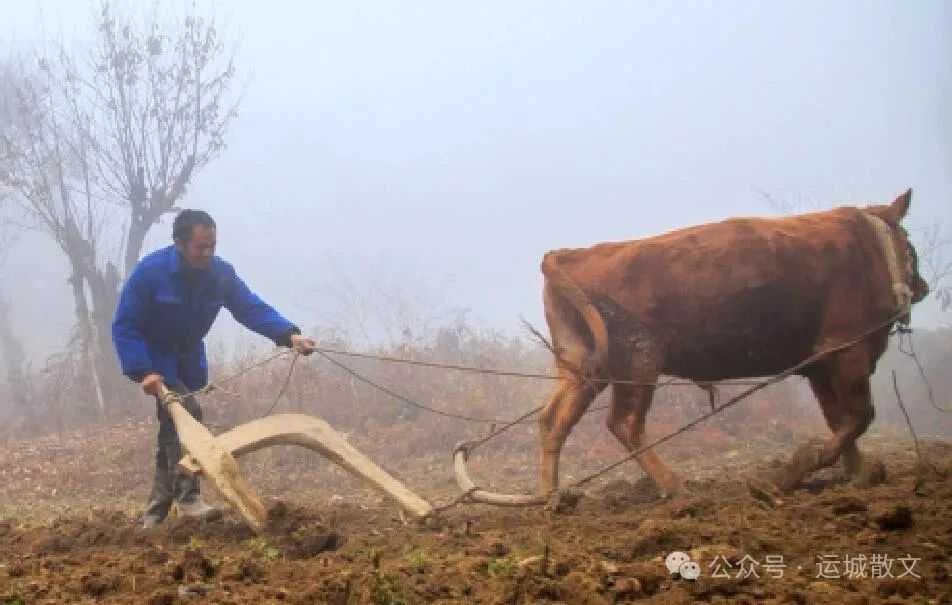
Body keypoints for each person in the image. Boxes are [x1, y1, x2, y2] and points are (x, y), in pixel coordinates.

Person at [112, 209, 316, 528]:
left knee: (173, 426)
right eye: (200, 247)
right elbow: (125, 325)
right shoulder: (150, 273)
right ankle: (188, 497)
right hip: (156, 360)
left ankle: (157, 508)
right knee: (187, 413)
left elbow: (249, 307)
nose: (207, 253)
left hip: (189, 358)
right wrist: (142, 370)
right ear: (180, 243)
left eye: (212, 246)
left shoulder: (220, 274)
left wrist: (289, 335)